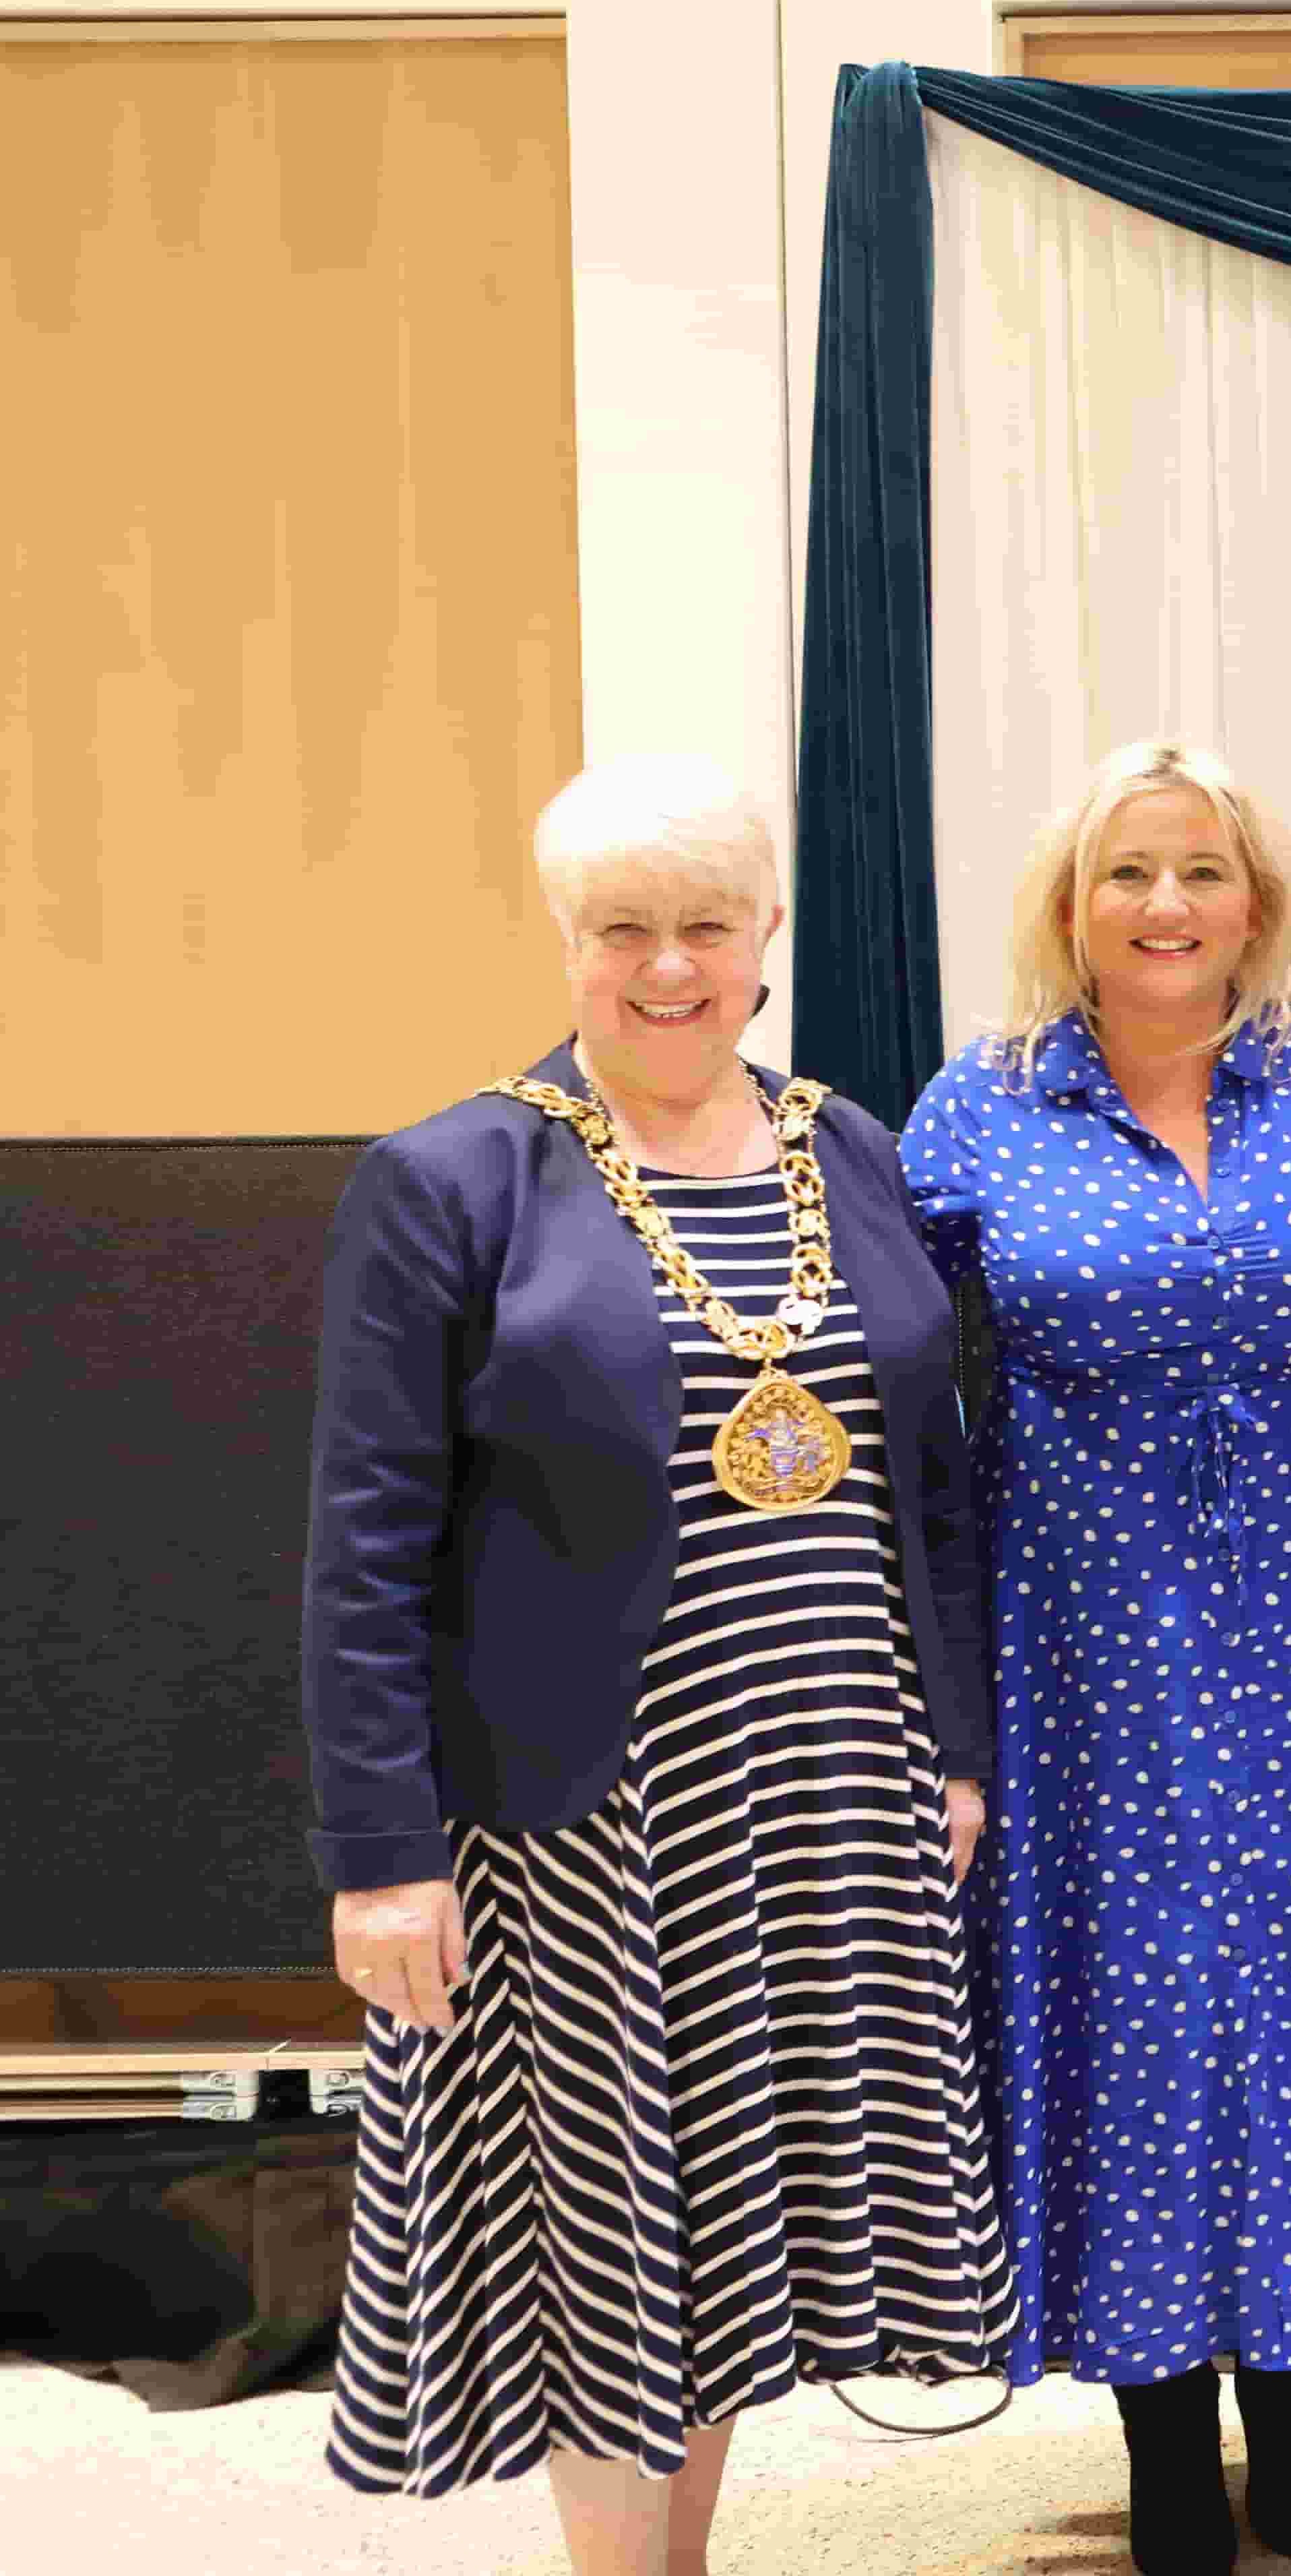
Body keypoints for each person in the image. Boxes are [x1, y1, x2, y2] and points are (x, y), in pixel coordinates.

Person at [303, 757, 1011, 2573]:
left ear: (768, 936)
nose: (670, 967)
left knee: (729, 2236)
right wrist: (381, 1854)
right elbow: (364, 1548)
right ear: (563, 942)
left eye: (708, 923)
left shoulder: (846, 1151)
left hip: (833, 1785)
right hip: (592, 1815)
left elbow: (934, 1487)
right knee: (618, 2247)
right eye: (625, 928)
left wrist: (954, 1747)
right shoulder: (453, 1178)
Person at [902, 742, 1291, 2575]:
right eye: (1128, 875)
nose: (1165, 909)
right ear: (1068, 906)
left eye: (1201, 874)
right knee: (1134, 2019)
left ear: (1260, 900)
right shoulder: (981, 1102)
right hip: (1079, 1626)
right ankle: (1162, 2442)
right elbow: (870, 1377)